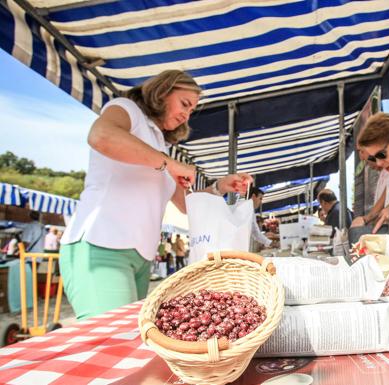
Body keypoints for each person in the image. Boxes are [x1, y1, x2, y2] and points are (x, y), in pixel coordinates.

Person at [59, 70, 253, 319]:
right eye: (184, 104)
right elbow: (101, 136)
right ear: (162, 92)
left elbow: (185, 204)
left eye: (192, 110)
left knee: (130, 337)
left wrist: (219, 187)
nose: (187, 115)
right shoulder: (126, 109)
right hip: (102, 244)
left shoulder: (160, 144)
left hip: (140, 256)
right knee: (113, 339)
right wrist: (169, 164)